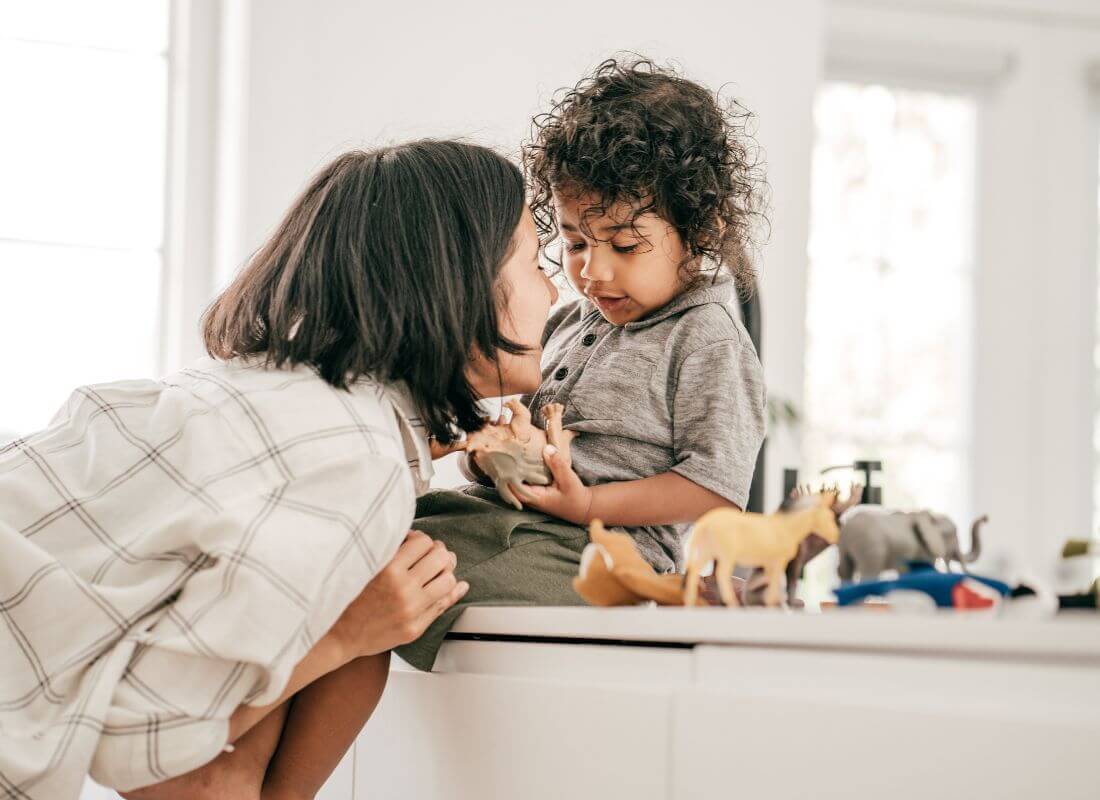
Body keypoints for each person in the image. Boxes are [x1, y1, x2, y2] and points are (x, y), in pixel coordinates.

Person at [0, 140, 558, 800]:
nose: (556, 290)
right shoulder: (358, 467)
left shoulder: (273, 394)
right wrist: (348, 634)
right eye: (535, 262)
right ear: (462, 288)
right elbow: (141, 745)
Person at [394, 56, 769, 672]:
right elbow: (529, 442)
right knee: (380, 532)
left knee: (413, 575)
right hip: (508, 520)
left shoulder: (708, 337)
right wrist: (492, 446)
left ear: (701, 230)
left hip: (604, 556)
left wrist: (588, 506)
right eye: (573, 243)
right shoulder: (572, 321)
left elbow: (715, 491)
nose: (591, 271)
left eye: (623, 246)